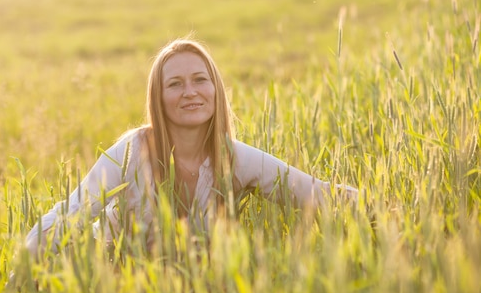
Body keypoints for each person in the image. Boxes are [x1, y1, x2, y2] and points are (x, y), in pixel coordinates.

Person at [25, 38, 357, 258]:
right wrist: (28, 269)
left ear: (216, 89)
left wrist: (387, 211)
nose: (190, 92)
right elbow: (65, 218)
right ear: (159, 97)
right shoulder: (129, 154)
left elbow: (317, 195)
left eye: (200, 79)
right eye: (175, 84)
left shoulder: (235, 158)